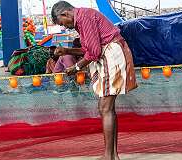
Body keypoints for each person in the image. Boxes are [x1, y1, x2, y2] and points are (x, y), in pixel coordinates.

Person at [51, 1, 137, 160]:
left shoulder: (84, 17)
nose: (66, 27)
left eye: (63, 23)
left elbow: (94, 52)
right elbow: (90, 49)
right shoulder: (82, 18)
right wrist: (67, 51)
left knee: (105, 108)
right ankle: (112, 156)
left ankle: (108, 156)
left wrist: (76, 68)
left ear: (64, 14)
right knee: (106, 108)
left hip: (112, 56)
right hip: (108, 55)